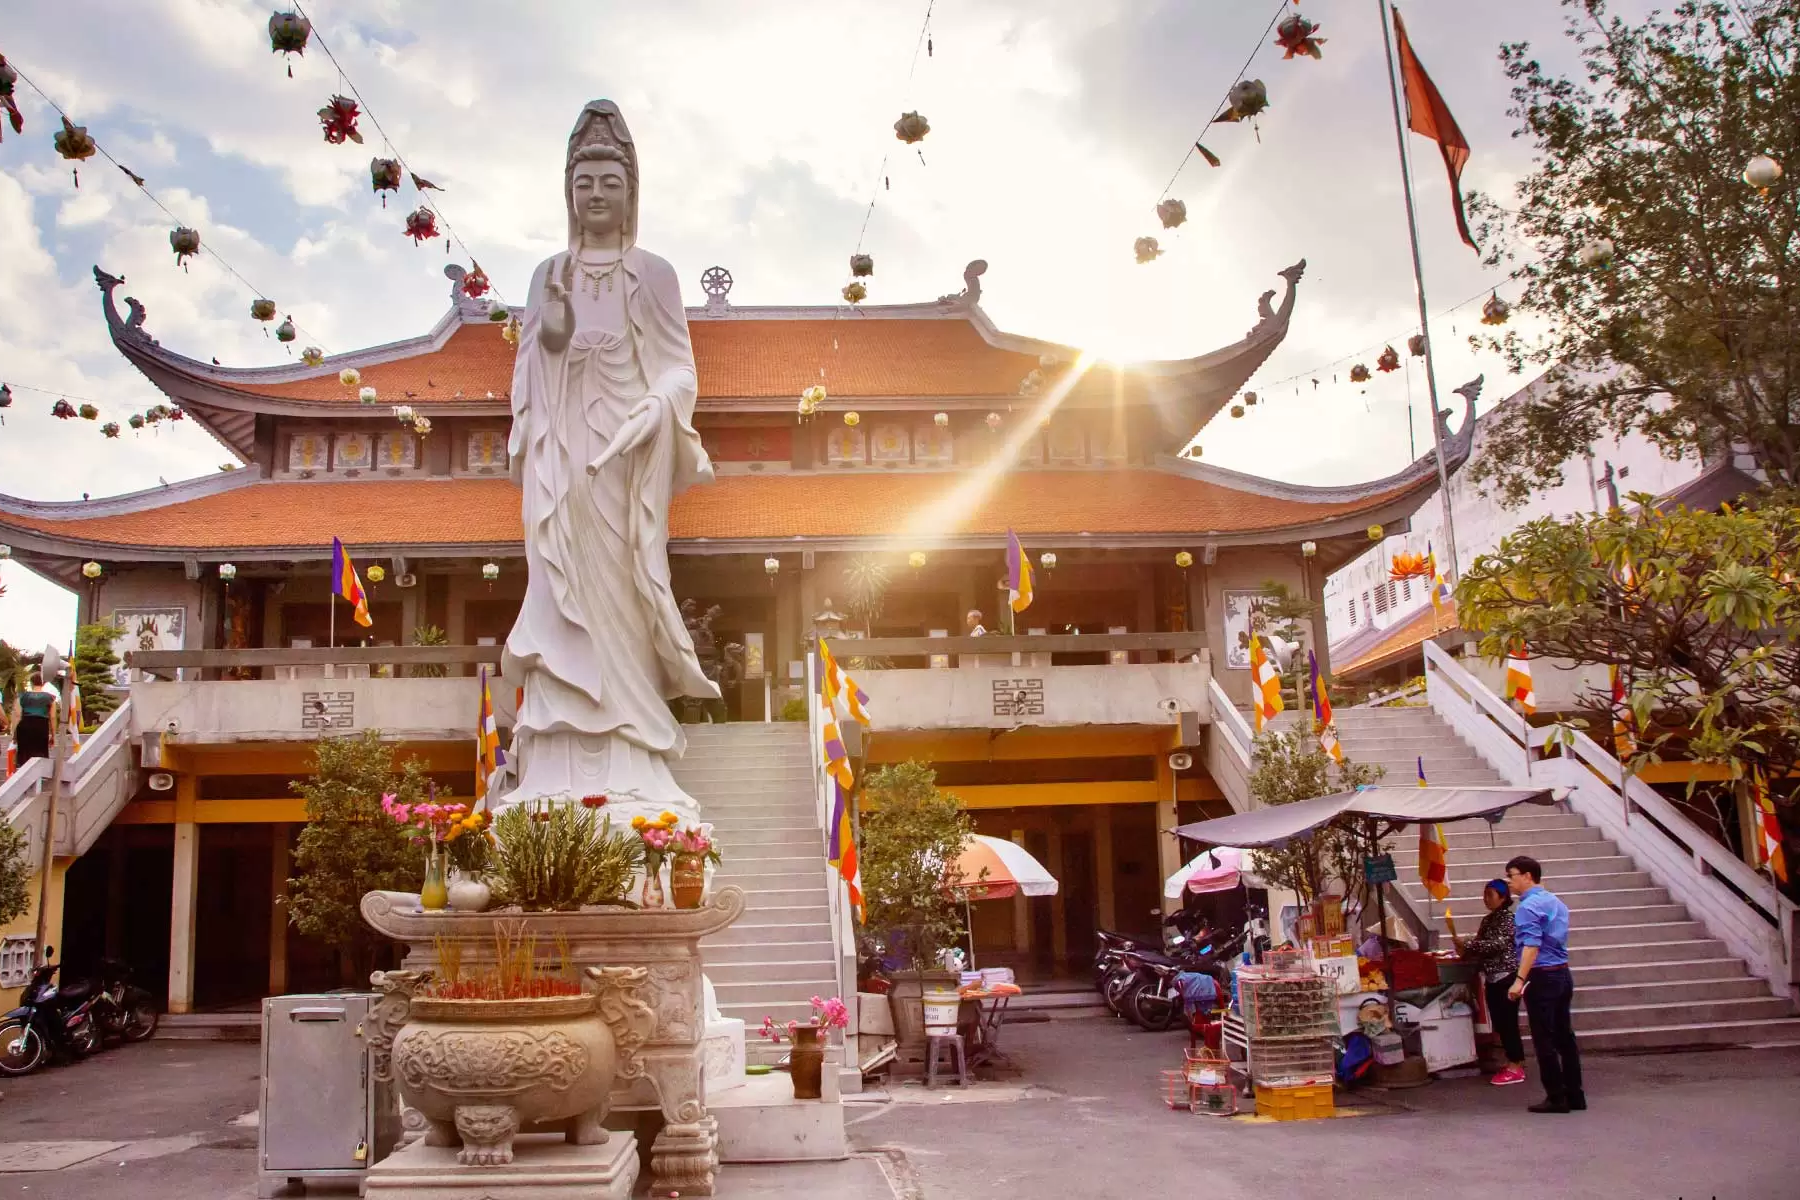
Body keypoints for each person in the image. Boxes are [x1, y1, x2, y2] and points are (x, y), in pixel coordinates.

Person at [496, 100, 717, 828]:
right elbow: (535, 362)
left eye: (609, 182)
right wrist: (555, 320)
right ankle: (554, 753)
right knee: (562, 588)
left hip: (624, 459)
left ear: (631, 192)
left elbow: (679, 368)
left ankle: (633, 750)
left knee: (622, 591)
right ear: (568, 192)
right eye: (584, 181)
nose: (596, 194)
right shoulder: (545, 273)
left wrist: (657, 407)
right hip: (561, 462)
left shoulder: (653, 274)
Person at [1506, 854, 1585, 1113]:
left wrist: (1519, 980)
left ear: (1528, 876)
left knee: (1544, 1038)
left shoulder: (1527, 908)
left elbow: (1531, 944)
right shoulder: (1556, 902)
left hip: (1541, 975)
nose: (1509, 882)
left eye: (1512, 876)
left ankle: (1556, 1096)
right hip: (1562, 973)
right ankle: (1575, 1093)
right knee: (1565, 1036)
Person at [1454, 878, 1526, 1086]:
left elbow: (1498, 944)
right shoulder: (1488, 920)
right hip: (1492, 976)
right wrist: (1466, 948)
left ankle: (1516, 1064)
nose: (1486, 899)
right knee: (1500, 1022)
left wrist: (1470, 944)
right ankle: (1513, 1060)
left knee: (1508, 1022)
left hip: (1507, 976)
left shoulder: (1508, 919)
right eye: (1484, 894)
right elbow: (1480, 944)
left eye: (1490, 895)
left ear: (1503, 898)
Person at [10, 669, 59, 766]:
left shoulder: (22, 696)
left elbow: (17, 715)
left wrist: (14, 734)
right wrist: (53, 735)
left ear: (31, 682)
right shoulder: (50, 698)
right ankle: (39, 778)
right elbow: (53, 717)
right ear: (43, 683)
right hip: (41, 726)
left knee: (24, 754)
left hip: (25, 725)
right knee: (40, 753)